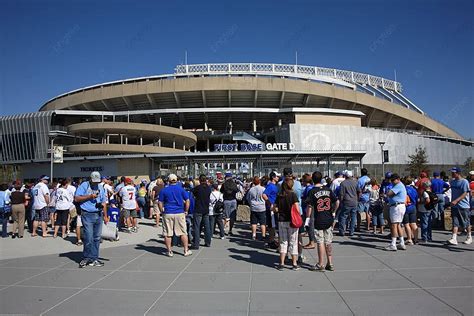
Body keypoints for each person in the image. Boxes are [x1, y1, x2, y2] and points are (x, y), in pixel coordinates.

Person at [306, 171, 339, 271]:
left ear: (313, 179)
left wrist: (307, 218)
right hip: (328, 218)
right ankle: (330, 263)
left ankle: (321, 264)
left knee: (320, 242)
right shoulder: (328, 189)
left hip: (318, 219)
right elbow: (337, 201)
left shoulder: (312, 191)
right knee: (328, 241)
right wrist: (333, 211)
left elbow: (310, 206)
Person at [75, 171, 107, 267]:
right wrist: (90, 196)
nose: (96, 183)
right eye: (94, 181)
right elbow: (76, 198)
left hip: (98, 214)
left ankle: (94, 258)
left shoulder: (101, 187)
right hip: (87, 214)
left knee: (97, 238)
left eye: (98, 181)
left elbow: (104, 202)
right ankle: (86, 257)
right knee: (88, 237)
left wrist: (105, 215)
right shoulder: (84, 185)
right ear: (90, 179)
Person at [158, 174, 192, 257]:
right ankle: (186, 250)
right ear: (176, 180)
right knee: (183, 232)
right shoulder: (181, 189)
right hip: (179, 212)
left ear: (168, 181)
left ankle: (169, 251)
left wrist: (161, 211)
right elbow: (187, 200)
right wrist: (186, 210)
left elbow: (160, 202)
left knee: (168, 233)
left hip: (168, 212)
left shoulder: (164, 190)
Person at [274, 177, 300, 271]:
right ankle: (294, 263)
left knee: (283, 242)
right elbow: (297, 208)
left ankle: (281, 263)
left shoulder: (279, 195)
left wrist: (279, 210)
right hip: (292, 221)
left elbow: (274, 208)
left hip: (282, 220)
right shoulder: (293, 195)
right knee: (293, 242)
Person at [447, 167, 472, 245]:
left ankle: (469, 236)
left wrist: (456, 200)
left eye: (453, 173)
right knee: (455, 222)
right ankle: (454, 238)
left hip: (463, 206)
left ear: (458, 173)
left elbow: (465, 193)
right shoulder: (453, 182)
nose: (452, 174)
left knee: (466, 222)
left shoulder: (464, 182)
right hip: (455, 206)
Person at [385, 174, 407, 251]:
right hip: (400, 206)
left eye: (393, 180)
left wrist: (387, 191)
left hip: (396, 207)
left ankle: (393, 244)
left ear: (398, 179)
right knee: (398, 225)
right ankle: (401, 242)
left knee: (394, 225)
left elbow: (389, 194)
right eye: (391, 180)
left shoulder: (398, 186)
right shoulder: (400, 185)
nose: (392, 182)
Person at [338, 171, 360, 236]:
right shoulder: (355, 183)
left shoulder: (343, 183)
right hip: (354, 201)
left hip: (346, 202)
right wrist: (357, 199)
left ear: (345, 176)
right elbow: (359, 191)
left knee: (343, 216)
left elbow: (341, 194)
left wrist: (340, 202)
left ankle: (342, 231)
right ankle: (351, 232)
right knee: (353, 217)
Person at [192, 175, 212, 249]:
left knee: (197, 227)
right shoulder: (208, 188)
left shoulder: (197, 188)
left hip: (198, 208)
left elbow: (193, 194)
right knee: (207, 227)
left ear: (200, 180)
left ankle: (196, 243)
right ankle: (208, 242)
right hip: (206, 209)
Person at [263, 171, 280, 248]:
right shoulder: (271, 186)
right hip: (271, 208)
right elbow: (264, 195)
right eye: (277, 176)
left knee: (272, 224)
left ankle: (272, 240)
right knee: (272, 225)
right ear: (273, 177)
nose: (278, 178)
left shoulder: (273, 185)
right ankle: (271, 240)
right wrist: (270, 203)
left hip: (273, 208)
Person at [247, 176, 266, 240]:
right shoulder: (263, 189)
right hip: (262, 207)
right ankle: (263, 235)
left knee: (254, 222)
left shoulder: (251, 189)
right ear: (259, 181)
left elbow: (248, 198)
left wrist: (251, 204)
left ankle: (254, 235)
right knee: (262, 222)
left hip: (254, 206)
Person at [403, 177, 418, 245]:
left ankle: (409, 238)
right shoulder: (414, 189)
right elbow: (417, 198)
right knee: (413, 223)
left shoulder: (404, 189)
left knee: (406, 224)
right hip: (413, 206)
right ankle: (416, 238)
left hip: (406, 207)